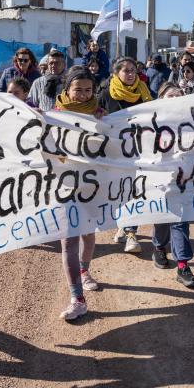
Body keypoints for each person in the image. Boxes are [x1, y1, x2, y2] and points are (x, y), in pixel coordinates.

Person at [53, 66, 106, 320]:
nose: (84, 95)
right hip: (64, 186)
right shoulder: (53, 116)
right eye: (78, 90)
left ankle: (85, 271)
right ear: (67, 90)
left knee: (88, 233)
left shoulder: (102, 116)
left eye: (88, 90)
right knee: (68, 240)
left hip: (91, 186)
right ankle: (77, 298)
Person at [97, 57, 153, 253]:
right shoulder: (105, 94)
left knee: (135, 190)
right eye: (125, 71)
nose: (130, 74)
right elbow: (94, 118)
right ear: (116, 74)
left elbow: (155, 113)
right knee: (118, 191)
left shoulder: (144, 92)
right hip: (113, 153)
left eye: (133, 70)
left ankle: (131, 233)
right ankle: (122, 223)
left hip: (138, 151)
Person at [151, 82, 194, 288]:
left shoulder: (191, 120)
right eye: (171, 95)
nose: (176, 97)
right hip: (158, 179)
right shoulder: (150, 121)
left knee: (179, 220)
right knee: (161, 217)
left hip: (182, 179)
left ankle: (182, 265)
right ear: (161, 98)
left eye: (179, 94)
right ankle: (159, 247)